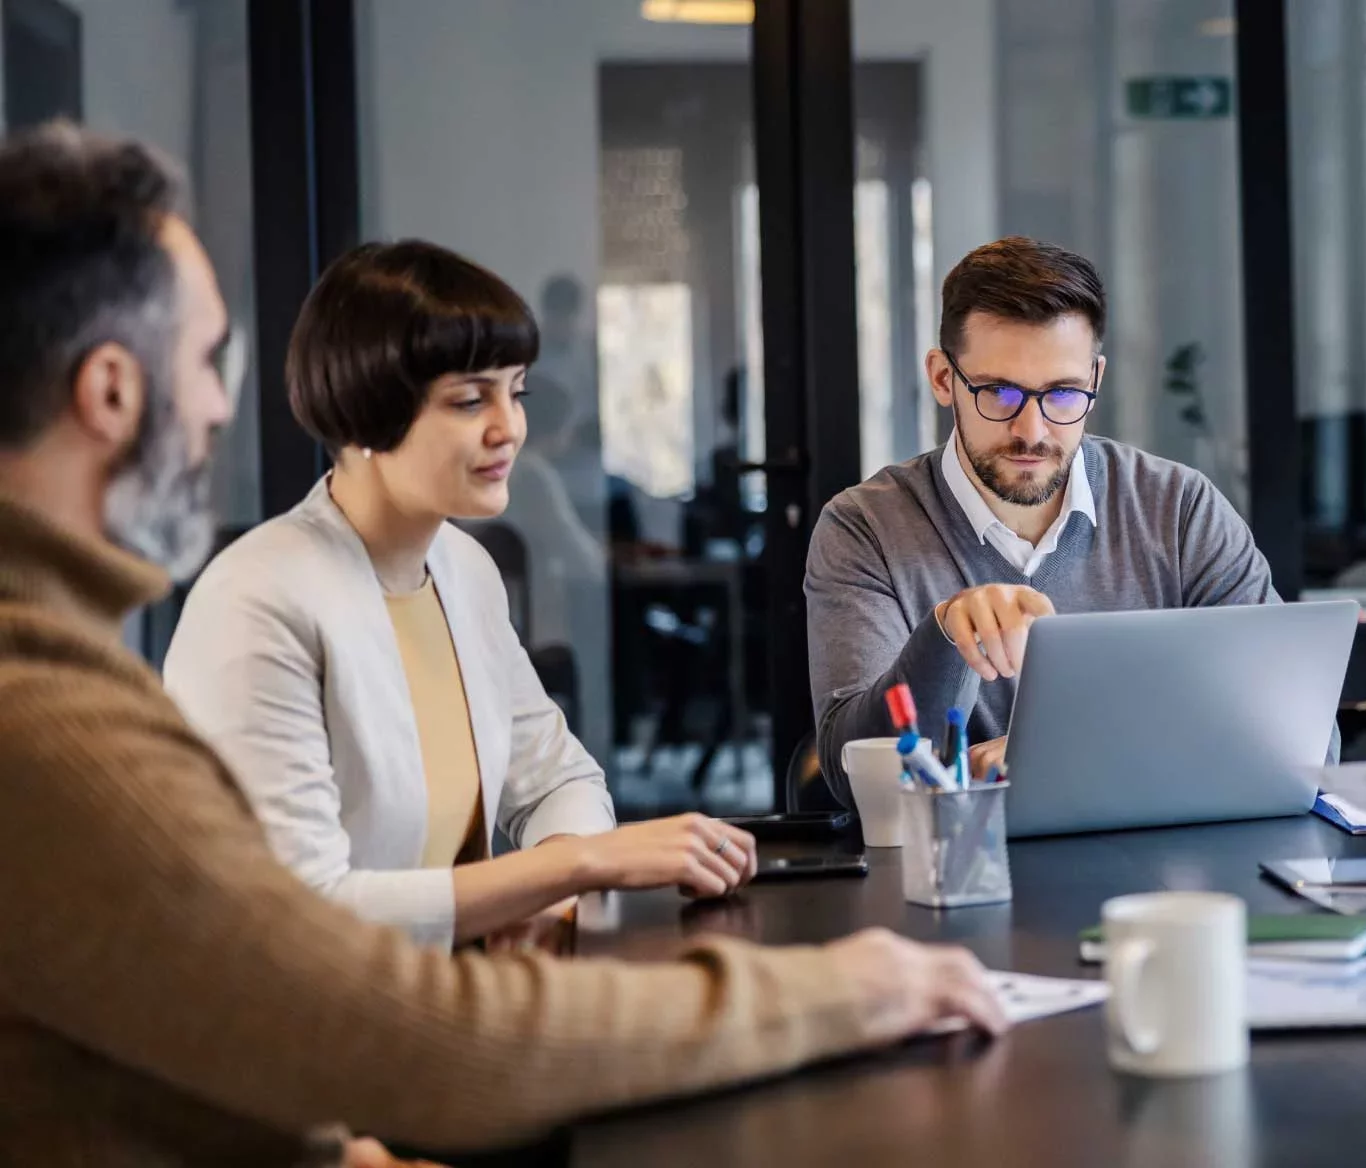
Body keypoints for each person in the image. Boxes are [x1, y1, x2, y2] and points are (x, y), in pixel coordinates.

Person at [0, 122, 1003, 1165]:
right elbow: (368, 1009)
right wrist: (846, 989)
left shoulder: (456, 572)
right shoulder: (52, 711)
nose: (218, 406)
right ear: (111, 389)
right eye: (208, 360)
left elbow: (180, 1023)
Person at [160, 241, 733, 951]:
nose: (510, 427)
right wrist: (573, 866)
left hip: (450, 992)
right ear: (367, 413)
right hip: (313, 1031)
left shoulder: (463, 568)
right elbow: (300, 909)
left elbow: (560, 780)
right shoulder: (257, 596)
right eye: (470, 400)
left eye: (515, 391)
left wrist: (546, 898)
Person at [807, 236, 1286, 804]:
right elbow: (850, 775)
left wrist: (1065, 754)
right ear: (942, 379)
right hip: (963, 873)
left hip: (1158, 870)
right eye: (999, 393)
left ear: (1096, 379)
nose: (1032, 431)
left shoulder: (1180, 510)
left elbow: (1296, 741)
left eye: (1062, 394)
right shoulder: (864, 527)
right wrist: (943, 634)